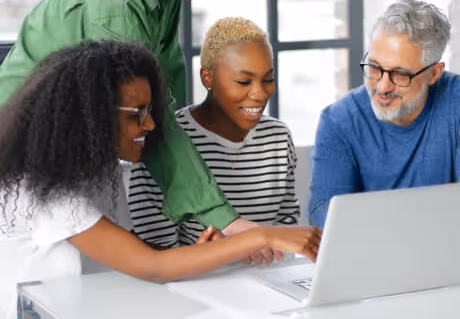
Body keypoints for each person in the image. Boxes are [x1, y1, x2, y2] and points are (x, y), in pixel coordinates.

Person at [0, 0, 247, 236]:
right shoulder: (115, 5)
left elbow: (166, 84)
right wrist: (222, 218)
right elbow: (150, 112)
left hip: (71, 152)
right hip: (21, 157)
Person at [0, 40, 321, 319]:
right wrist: (262, 236)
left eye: (150, 111)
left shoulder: (91, 169)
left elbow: (131, 254)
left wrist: (197, 254)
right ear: (90, 116)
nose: (151, 125)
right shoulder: (45, 190)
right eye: (135, 114)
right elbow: (153, 266)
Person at [128, 18, 301, 255]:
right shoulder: (165, 143)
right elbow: (156, 255)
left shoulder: (278, 137)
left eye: (268, 80)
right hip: (194, 283)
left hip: (268, 279)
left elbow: (287, 228)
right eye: (243, 81)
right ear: (208, 79)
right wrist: (215, 254)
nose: (260, 94)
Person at [308, 0, 459, 229]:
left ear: (434, 74)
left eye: (401, 74)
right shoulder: (338, 120)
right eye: (375, 68)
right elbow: (322, 216)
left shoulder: (455, 105)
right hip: (368, 257)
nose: (382, 87)